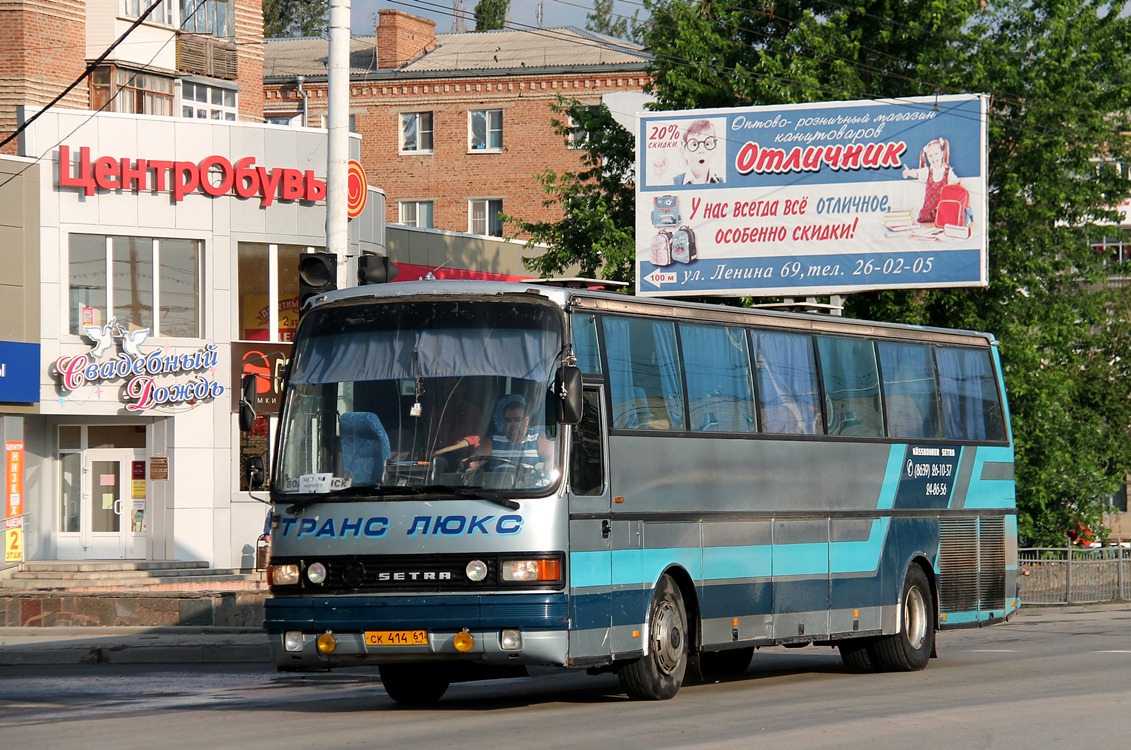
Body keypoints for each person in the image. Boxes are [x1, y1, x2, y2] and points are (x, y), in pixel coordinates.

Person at [903, 137, 960, 224]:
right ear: (927, 157)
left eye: (936, 154)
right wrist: (908, 172)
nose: (933, 158)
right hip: (927, 215)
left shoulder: (948, 172)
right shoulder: (928, 171)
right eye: (930, 156)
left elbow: (958, 184)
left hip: (942, 214)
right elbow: (917, 173)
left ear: (941, 153)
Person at [672, 119, 724, 185]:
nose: (701, 150)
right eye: (694, 144)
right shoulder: (674, 183)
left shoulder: (721, 182)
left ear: (715, 149)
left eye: (707, 144)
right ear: (683, 151)